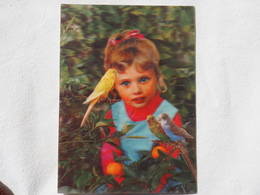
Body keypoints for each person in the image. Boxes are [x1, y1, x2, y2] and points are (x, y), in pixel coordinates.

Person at [100, 29, 183, 192]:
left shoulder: (168, 115)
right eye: (125, 83)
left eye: (143, 79)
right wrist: (117, 185)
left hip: (159, 183)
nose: (136, 90)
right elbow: (109, 152)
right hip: (123, 181)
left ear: (157, 78)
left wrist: (150, 189)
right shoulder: (115, 115)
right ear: (114, 86)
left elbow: (168, 161)